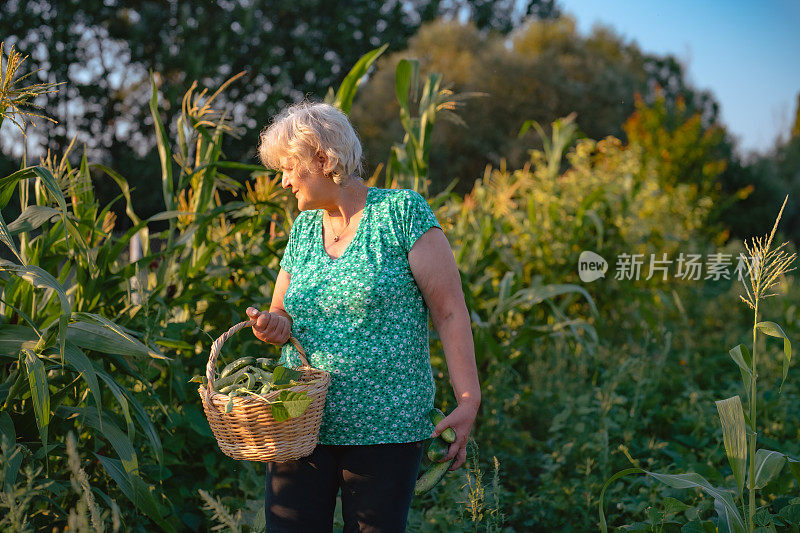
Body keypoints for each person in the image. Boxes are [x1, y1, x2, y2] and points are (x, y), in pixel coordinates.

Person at [246, 101, 480, 532]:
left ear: (322, 158)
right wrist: (272, 324)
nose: (282, 182)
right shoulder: (302, 231)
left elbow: (450, 312)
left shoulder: (401, 215)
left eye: (288, 167)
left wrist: (468, 401)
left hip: (385, 427)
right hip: (300, 423)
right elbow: (281, 315)